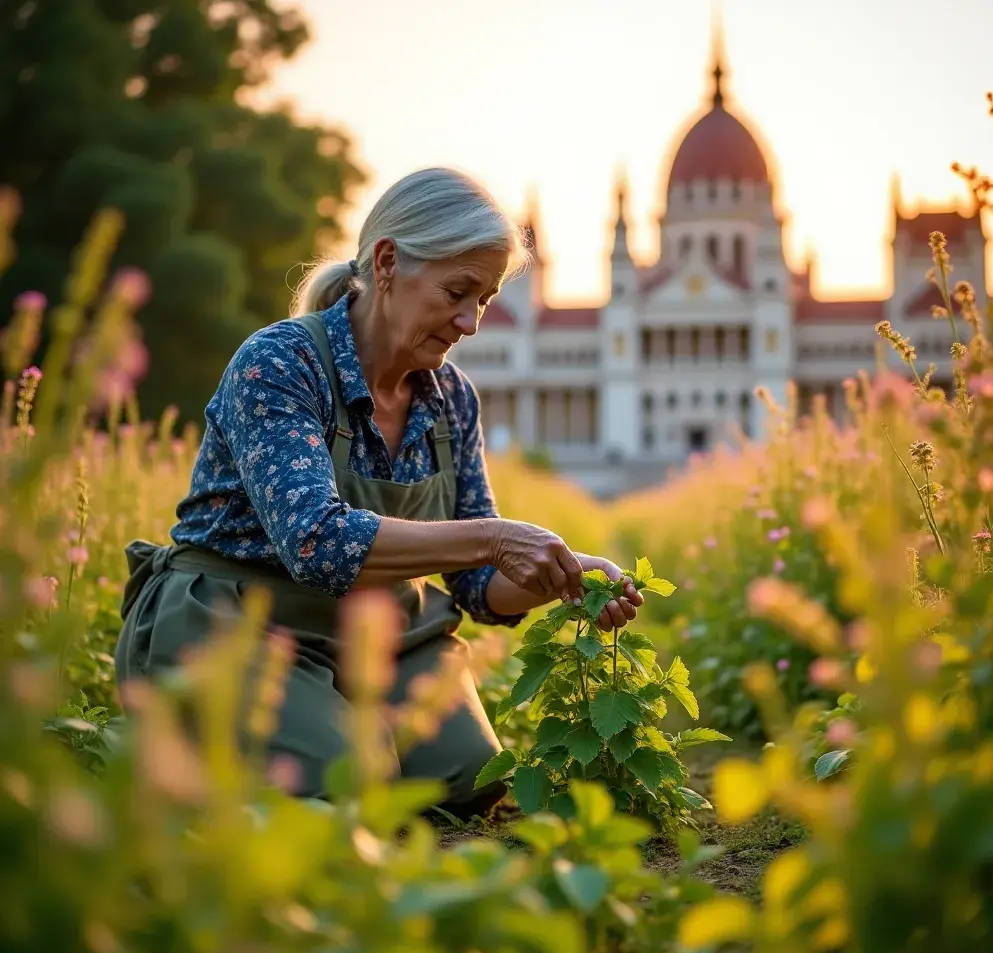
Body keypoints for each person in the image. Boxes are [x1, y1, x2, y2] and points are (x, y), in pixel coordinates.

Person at [114, 167, 643, 818]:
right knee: (346, 785)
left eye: (485, 299)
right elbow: (318, 543)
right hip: (241, 621)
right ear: (389, 262)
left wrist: (564, 575)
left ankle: (331, 725)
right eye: (460, 292)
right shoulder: (281, 363)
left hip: (381, 635)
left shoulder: (450, 399)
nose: (471, 322)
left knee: (469, 778)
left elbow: (476, 586)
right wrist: (497, 539)